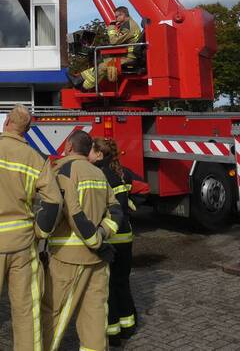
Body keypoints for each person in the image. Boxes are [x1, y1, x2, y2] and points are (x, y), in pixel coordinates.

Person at [0, 104, 62, 351]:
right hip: (24, 245)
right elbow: (54, 201)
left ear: (6, 122)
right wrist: (40, 233)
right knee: (27, 311)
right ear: (26, 130)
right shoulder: (36, 158)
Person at [42, 130, 123, 351]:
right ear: (88, 150)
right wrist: (103, 235)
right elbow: (116, 210)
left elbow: (71, 212)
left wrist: (94, 239)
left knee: (52, 314)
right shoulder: (98, 173)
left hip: (68, 258)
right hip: (97, 260)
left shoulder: (62, 171)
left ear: (68, 146)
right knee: (94, 318)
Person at [90, 137, 139, 345]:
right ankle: (128, 325)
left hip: (111, 237)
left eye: (91, 151)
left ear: (99, 154)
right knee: (122, 282)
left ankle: (114, 334)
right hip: (125, 237)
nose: (88, 154)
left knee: (108, 287)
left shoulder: (100, 175)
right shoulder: (121, 172)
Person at [72, 6, 142, 91]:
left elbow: (114, 41)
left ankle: (85, 88)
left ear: (123, 15)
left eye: (117, 17)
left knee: (102, 66)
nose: (116, 19)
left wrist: (111, 27)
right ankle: (79, 78)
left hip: (130, 58)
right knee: (104, 62)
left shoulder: (128, 27)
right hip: (130, 56)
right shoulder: (129, 24)